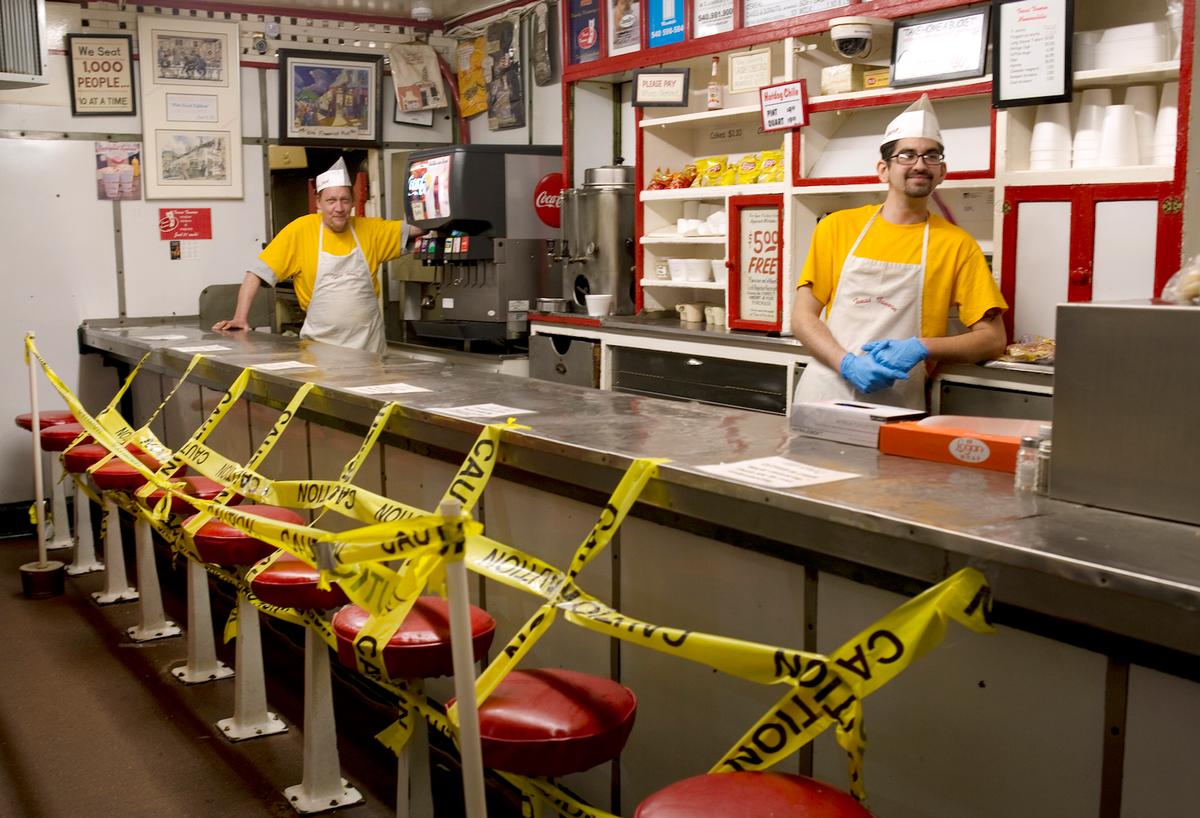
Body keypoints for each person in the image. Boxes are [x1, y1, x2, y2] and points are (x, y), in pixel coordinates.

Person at [790, 94, 1008, 410]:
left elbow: (992, 340)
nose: (920, 164)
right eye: (907, 155)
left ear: (942, 172)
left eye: (931, 156)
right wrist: (846, 363)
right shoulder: (837, 227)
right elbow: (802, 317)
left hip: (898, 400)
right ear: (883, 169)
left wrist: (921, 347)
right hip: (825, 390)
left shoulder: (957, 245)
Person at [213, 157, 423, 353]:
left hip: (370, 350)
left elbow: (420, 228)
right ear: (318, 202)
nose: (339, 208)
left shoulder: (372, 230)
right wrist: (240, 318)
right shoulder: (301, 230)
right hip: (320, 351)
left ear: (352, 202)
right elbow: (255, 274)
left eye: (344, 200)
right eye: (331, 200)